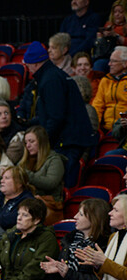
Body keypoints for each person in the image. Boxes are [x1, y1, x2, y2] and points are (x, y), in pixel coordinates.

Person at [18, 41, 96, 183]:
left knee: (63, 184)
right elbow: (48, 114)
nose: (28, 69)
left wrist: (44, 142)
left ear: (35, 64)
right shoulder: (54, 75)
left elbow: (56, 117)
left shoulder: (50, 80)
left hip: (67, 143)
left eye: (28, 65)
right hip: (68, 140)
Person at [18, 125, 65, 225]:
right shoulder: (25, 160)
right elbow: (16, 172)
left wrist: (26, 175)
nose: (28, 146)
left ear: (42, 142)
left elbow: (50, 183)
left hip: (47, 203)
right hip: (27, 201)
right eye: (26, 143)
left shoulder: (54, 160)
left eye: (32, 141)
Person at [92, 46, 127, 131]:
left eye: (113, 61)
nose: (109, 64)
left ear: (125, 63)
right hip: (106, 129)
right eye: (110, 60)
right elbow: (97, 106)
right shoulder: (105, 81)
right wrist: (94, 127)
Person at [0, 166, 35, 230]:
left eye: (6, 178)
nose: (1, 181)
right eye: (2, 178)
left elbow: (9, 221)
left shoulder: (27, 201)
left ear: (19, 183)